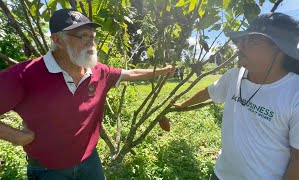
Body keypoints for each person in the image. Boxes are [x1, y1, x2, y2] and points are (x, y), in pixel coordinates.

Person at [0, 9, 174, 180]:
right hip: (49, 170)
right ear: (58, 40)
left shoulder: (99, 72)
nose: (92, 43)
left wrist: (162, 71)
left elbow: (130, 74)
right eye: (83, 37)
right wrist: (18, 137)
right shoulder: (25, 75)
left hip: (90, 162)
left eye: (93, 37)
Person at [175, 12, 299, 180]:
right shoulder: (234, 76)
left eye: (252, 40)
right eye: (243, 39)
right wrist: (183, 104)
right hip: (221, 174)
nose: (240, 45)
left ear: (279, 49)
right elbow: (208, 92)